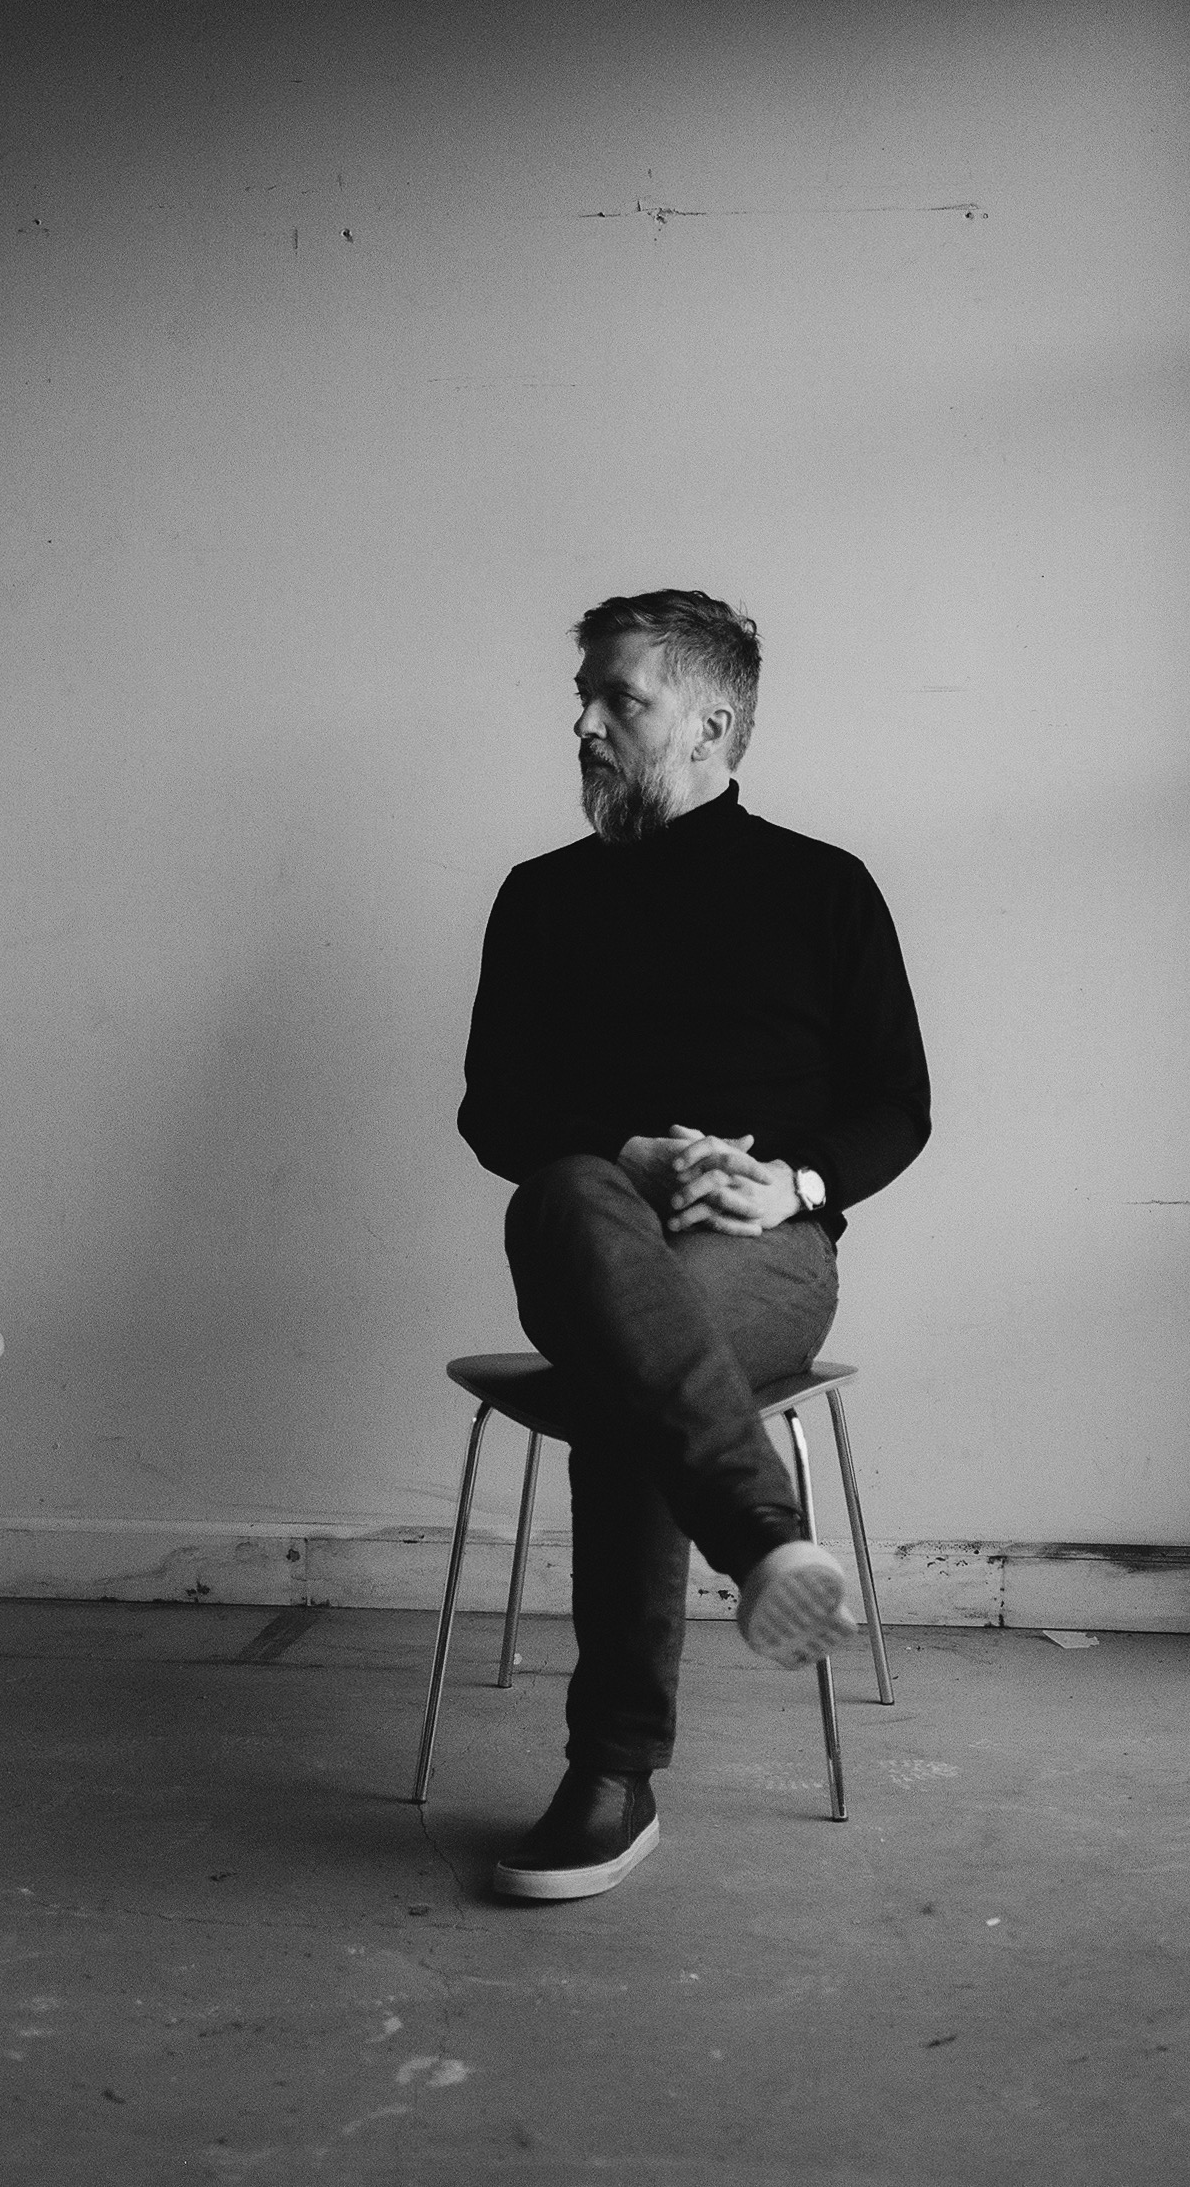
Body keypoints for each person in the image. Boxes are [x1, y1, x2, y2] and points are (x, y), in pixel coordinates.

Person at [458, 589, 930, 1900]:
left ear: (712, 723)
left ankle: (612, 1774)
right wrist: (632, 1157)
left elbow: (898, 1104)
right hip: (590, 1238)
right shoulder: (540, 898)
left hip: (764, 1255)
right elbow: (494, 1110)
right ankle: (759, 1532)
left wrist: (790, 1185)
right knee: (566, 1196)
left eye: (620, 698)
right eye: (583, 698)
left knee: (635, 1372)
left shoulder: (823, 888)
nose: (584, 723)